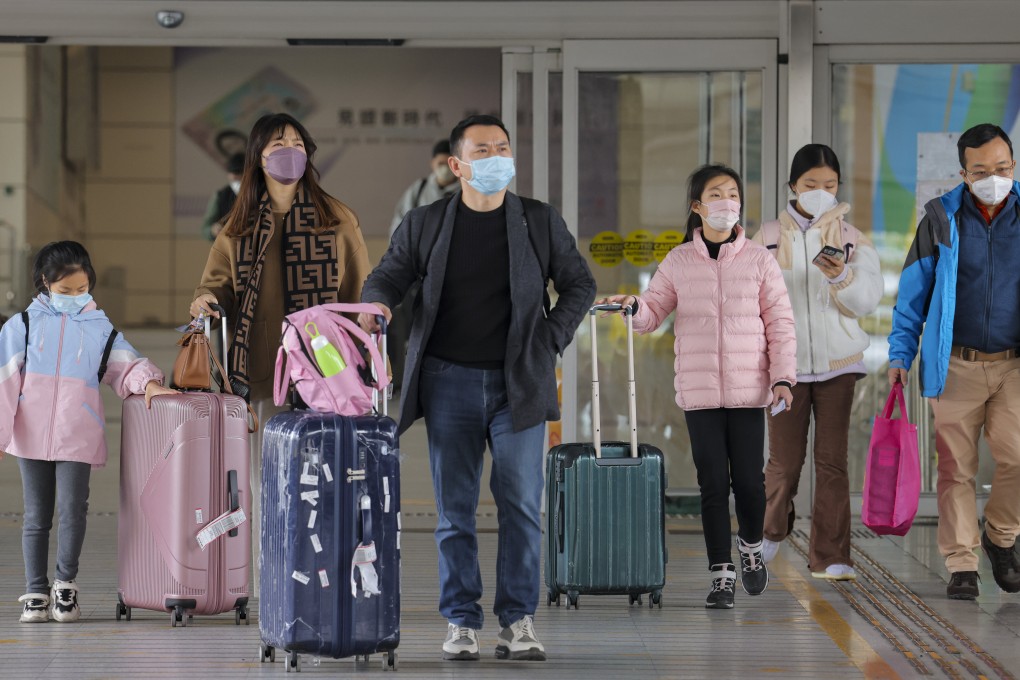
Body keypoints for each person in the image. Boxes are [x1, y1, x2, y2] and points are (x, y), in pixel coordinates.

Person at [359, 114, 595, 661]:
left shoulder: (537, 221)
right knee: (454, 511)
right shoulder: (426, 224)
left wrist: (550, 339)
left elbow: (580, 282)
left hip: (520, 385)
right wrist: (377, 306)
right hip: (448, 382)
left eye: (504, 147)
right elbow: (388, 274)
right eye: (483, 149)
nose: (497, 157)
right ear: (457, 165)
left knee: (520, 506)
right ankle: (461, 620)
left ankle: (518, 620)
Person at [598, 164, 797, 610]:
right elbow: (652, 312)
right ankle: (721, 574)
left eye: (733, 194)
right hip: (700, 391)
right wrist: (632, 306)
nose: (727, 202)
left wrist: (783, 378)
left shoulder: (759, 260)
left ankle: (749, 547)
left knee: (748, 481)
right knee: (711, 483)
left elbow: (781, 324)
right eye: (716, 194)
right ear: (697, 206)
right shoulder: (678, 261)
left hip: (749, 391)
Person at [189, 112, 371, 589]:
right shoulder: (238, 224)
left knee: (320, 475)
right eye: (276, 143)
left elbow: (361, 289)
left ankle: (319, 573)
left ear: (308, 153)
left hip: (325, 369)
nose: (289, 149)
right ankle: (271, 577)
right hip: (260, 365)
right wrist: (205, 300)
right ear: (258, 157)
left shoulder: (337, 218)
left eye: (296, 141)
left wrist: (367, 351)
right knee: (268, 480)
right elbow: (215, 286)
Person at [0, 241, 176, 623]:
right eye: (66, 291)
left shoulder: (99, 326)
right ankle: (35, 592)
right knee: (36, 516)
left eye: (82, 289)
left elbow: (126, 365)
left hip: (76, 432)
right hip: (30, 435)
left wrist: (149, 384)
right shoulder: (23, 325)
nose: (75, 297)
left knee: (72, 510)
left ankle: (65, 588)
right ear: (45, 282)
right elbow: (5, 380)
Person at [888, 123, 1020, 600]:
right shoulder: (940, 220)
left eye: (1002, 168)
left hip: (1014, 366)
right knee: (956, 469)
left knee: (1018, 457)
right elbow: (912, 295)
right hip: (955, 363)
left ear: (1013, 164)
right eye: (981, 170)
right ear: (964, 173)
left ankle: (1000, 536)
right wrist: (900, 354)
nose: (994, 177)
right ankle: (962, 562)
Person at [752, 144, 883, 581]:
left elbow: (866, 300)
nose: (821, 192)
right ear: (793, 186)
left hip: (838, 366)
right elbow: (750, 300)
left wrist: (840, 276)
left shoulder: (850, 237)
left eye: (829, 185)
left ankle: (832, 556)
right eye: (811, 185)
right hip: (784, 371)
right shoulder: (767, 236)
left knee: (832, 461)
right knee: (784, 463)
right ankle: (769, 530)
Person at [386, 139, 460, 388]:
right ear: (433, 163)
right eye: (439, 163)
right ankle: (412, 382)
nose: (444, 168)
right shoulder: (418, 191)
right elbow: (398, 232)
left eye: (447, 163)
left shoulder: (468, 192)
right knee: (414, 332)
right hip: (419, 279)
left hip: (455, 280)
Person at [200, 152, 246, 241]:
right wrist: (213, 230)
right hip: (228, 246)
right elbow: (205, 229)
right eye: (231, 172)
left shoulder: (259, 193)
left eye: (238, 172)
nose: (234, 177)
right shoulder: (220, 196)